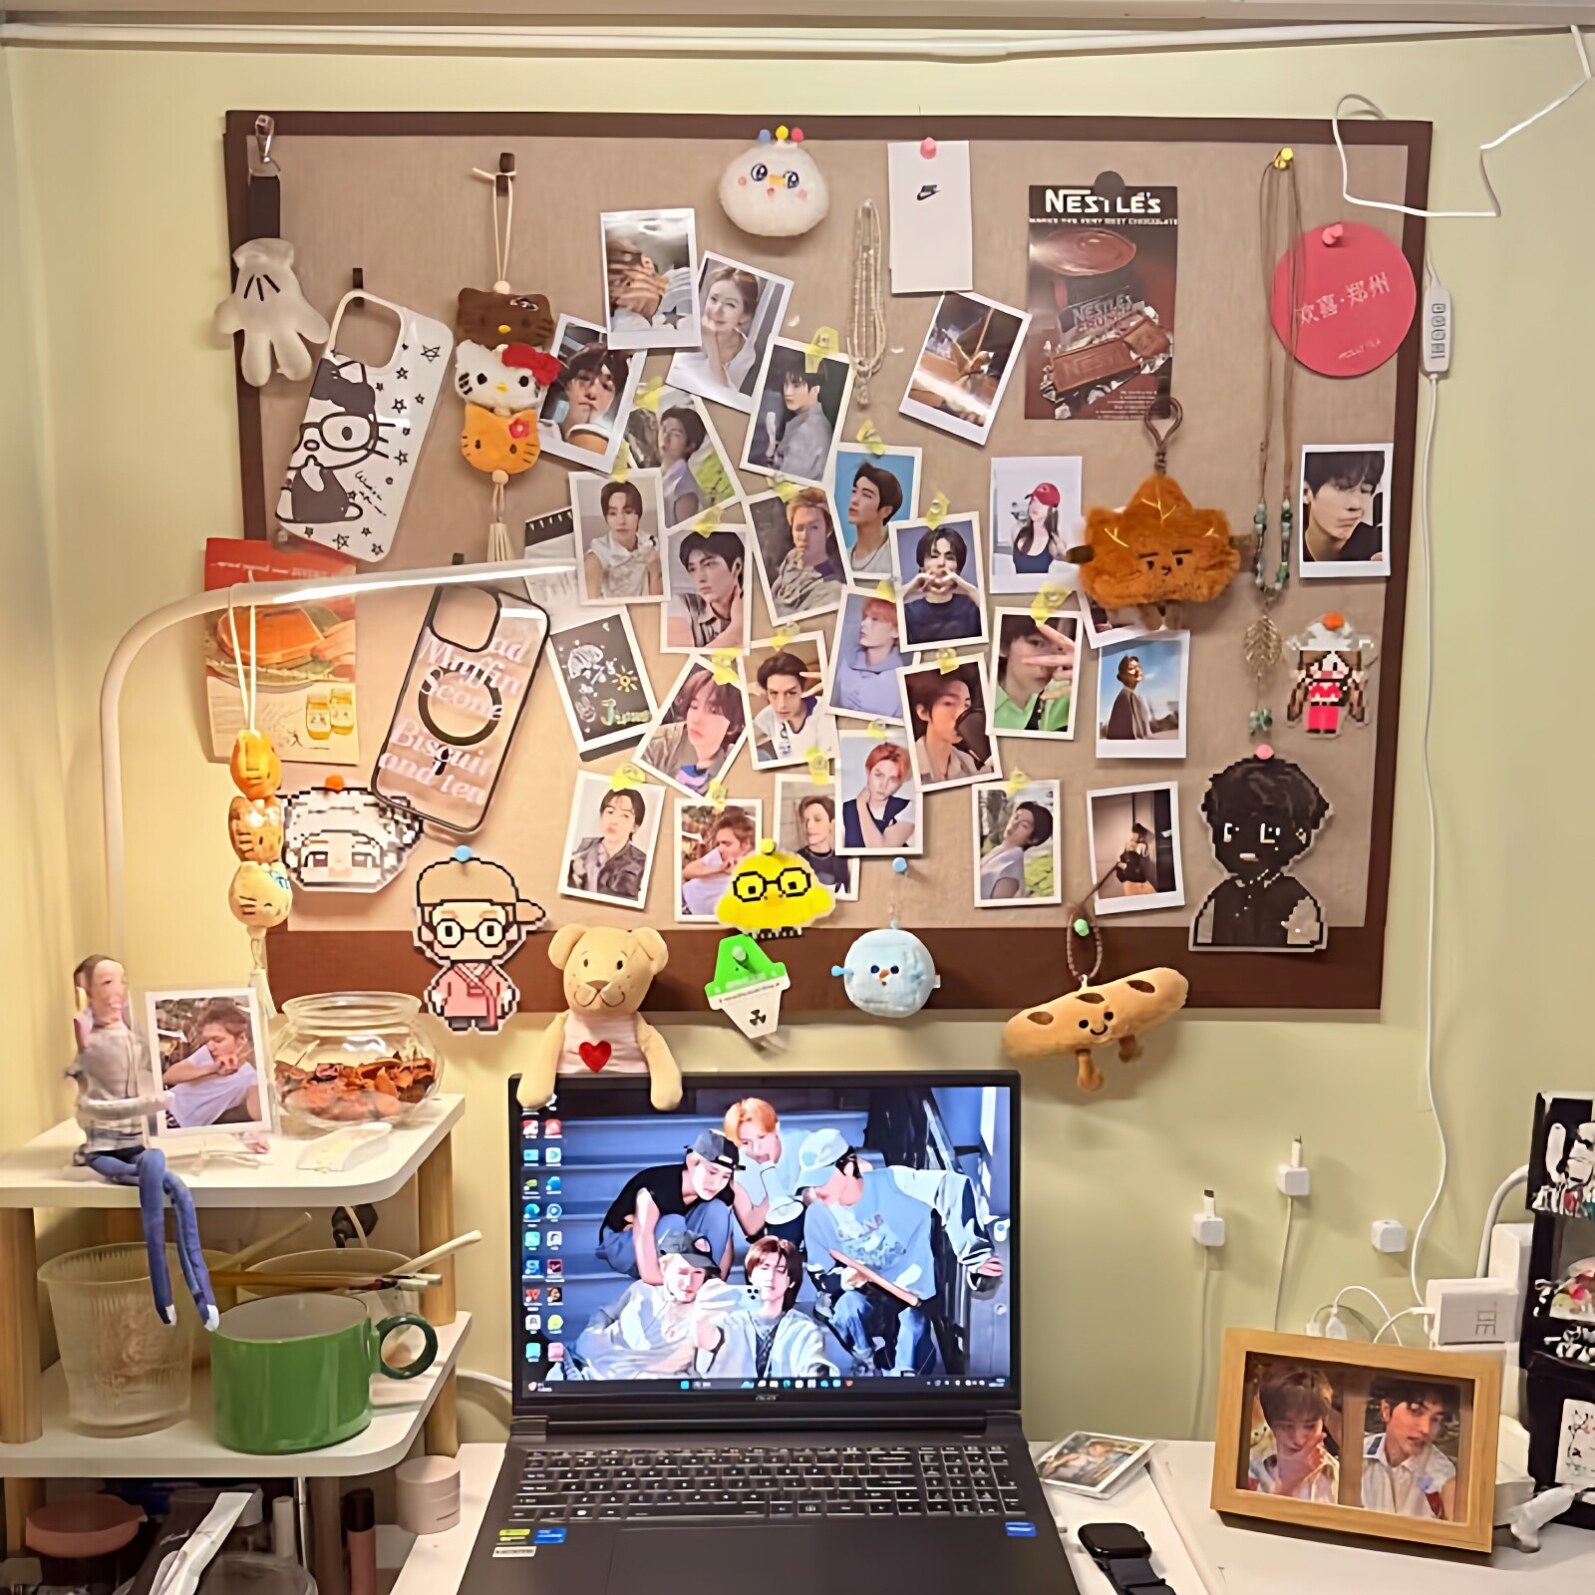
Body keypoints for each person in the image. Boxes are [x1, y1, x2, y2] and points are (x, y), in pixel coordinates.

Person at [796, 1128, 1003, 1376]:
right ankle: (867, 1362)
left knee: (911, 1360)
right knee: (846, 1309)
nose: (818, 1189)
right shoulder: (817, 1215)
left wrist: (975, 1255)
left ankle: (900, 1368)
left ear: (849, 1167)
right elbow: (820, 1274)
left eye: (823, 1178)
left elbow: (953, 1186)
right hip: (866, 1296)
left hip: (911, 1295)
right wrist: (843, 1279)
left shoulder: (894, 1182)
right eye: (813, 1181)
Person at [1190, 754, 1331, 950]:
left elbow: (1305, 949)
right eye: (1231, 830)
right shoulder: (1221, 897)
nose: (1246, 843)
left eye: (1268, 833)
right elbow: (1203, 942)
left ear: (1299, 835)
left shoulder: (1296, 900)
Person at [573, 1231, 739, 1380]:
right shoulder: (642, 1289)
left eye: (698, 1273)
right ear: (665, 1268)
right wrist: (592, 1336)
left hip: (631, 1387)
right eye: (682, 1272)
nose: (689, 1282)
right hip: (583, 1365)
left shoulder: (707, 1311)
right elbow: (606, 1314)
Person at [415, 856, 546, 1032]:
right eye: (449, 931)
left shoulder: (491, 974)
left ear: (510, 933)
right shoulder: (453, 976)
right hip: (456, 1009)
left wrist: (506, 995)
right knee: (457, 1026)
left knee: (487, 1026)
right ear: (429, 934)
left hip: (488, 1012)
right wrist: (438, 997)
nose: (470, 938)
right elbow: (442, 989)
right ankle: (459, 1020)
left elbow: (501, 986)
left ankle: (483, 1022)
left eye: (489, 930)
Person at [596, 1130, 741, 1284]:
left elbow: (725, 1245)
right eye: (712, 1172)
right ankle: (674, 1277)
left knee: (718, 1209)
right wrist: (666, 1283)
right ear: (692, 1162)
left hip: (673, 1241)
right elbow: (643, 1239)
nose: (716, 1183)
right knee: (673, 1221)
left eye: (725, 1176)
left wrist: (717, 1283)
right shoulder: (656, 1187)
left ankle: (705, 1277)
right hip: (624, 1246)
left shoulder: (721, 1192)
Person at [696, 1237, 837, 1381]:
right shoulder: (728, 1321)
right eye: (764, 1268)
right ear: (751, 1274)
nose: (770, 1276)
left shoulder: (804, 1328)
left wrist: (818, 1373)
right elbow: (705, 1358)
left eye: (780, 1270)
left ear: (791, 1281)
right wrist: (703, 1317)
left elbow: (814, 1364)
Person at [1361, 1379, 1459, 1519]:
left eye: (1435, 1419)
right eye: (1415, 1412)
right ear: (1386, 1411)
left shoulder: (1443, 1477)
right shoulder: (1356, 1458)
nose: (1426, 1429)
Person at [161, 999, 262, 1128]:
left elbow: (258, 1114)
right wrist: (211, 1069)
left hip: (180, 1124)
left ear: (241, 1039)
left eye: (218, 1040)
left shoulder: (250, 1077)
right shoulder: (207, 1053)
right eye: (207, 1040)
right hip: (164, 1105)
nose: (210, 1046)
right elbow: (168, 1077)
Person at [644, 667, 745, 794]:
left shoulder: (738, 763)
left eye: (713, 711)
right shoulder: (658, 745)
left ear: (733, 723)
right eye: (694, 706)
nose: (697, 719)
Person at [1248, 1365, 1340, 1502]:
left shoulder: (1337, 1474)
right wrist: (1287, 1485)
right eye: (1287, 1426)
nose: (1299, 1439)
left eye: (1310, 1426)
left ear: (1323, 1422)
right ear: (1271, 1423)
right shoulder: (1250, 1468)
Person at [721, 1097, 806, 1243]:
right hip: (774, 1232)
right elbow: (750, 1227)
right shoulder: (736, 1169)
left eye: (762, 1137)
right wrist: (774, 1191)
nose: (756, 1149)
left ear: (776, 1128)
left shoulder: (803, 1143)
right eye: (745, 1143)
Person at [677, 264, 761, 398]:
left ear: (744, 315)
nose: (717, 310)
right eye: (713, 299)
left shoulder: (744, 353)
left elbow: (724, 395)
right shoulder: (685, 327)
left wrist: (711, 342)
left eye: (730, 304)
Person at [906, 668, 991, 786]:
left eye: (966, 705)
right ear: (923, 712)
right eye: (949, 703)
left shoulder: (967, 762)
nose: (961, 713)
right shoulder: (908, 764)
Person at [901, 526, 984, 647]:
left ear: (958, 567)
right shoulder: (908, 612)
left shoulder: (974, 607)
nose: (941, 563)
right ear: (922, 565)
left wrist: (971, 591)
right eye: (934, 556)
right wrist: (910, 588)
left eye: (949, 557)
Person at [770, 488, 846, 618]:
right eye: (799, 528)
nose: (805, 536)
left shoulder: (832, 591)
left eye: (814, 528)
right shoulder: (792, 556)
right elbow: (775, 590)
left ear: (827, 530)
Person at [1302, 449, 1386, 565]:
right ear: (1306, 492)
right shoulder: (1288, 548)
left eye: (1365, 490)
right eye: (1342, 487)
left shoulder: (1381, 544)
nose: (1356, 505)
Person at [566, 787, 649, 903]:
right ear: (601, 815)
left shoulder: (642, 863)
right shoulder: (581, 850)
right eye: (610, 812)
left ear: (635, 827)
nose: (614, 821)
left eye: (625, 816)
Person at [994, 616, 1075, 733]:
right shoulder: (979, 700)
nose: (1050, 662)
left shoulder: (1065, 691)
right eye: (1037, 643)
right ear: (1003, 646)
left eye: (1060, 648)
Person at [666, 530, 745, 650]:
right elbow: (682, 662)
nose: (700, 578)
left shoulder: (757, 610)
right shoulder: (682, 604)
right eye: (692, 569)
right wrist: (737, 630)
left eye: (709, 564)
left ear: (736, 567)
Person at [607, 227, 694, 336]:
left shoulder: (685, 284)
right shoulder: (626, 323)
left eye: (628, 283)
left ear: (647, 264)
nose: (624, 302)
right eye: (614, 301)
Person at [584, 478, 661, 599]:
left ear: (638, 515)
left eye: (628, 512)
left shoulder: (650, 544)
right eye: (613, 513)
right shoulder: (597, 554)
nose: (621, 521)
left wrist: (655, 571)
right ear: (606, 518)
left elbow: (658, 600)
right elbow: (591, 600)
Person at [830, 598, 907, 720]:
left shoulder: (900, 682)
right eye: (865, 617)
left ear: (896, 631)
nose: (863, 624)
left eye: (875, 619)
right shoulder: (844, 664)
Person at [680, 805, 758, 918]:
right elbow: (687, 872)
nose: (720, 848)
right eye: (719, 843)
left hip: (696, 917)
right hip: (683, 897)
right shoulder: (719, 853)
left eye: (727, 844)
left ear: (745, 844)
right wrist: (719, 869)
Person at [752, 650, 829, 764]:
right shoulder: (768, 714)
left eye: (791, 693)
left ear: (803, 688)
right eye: (773, 693)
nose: (781, 704)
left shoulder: (825, 712)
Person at [548, 341, 625, 454]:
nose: (592, 393)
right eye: (584, 378)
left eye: (606, 386)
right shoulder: (538, 432)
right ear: (569, 385)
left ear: (612, 400)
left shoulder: (614, 454)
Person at [841, 741, 915, 850]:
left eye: (893, 779)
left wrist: (861, 805)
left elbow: (880, 850)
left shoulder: (908, 808)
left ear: (900, 783)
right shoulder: (844, 809)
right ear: (868, 771)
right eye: (878, 775)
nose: (883, 785)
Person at [766, 365, 834, 482]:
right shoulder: (815, 422)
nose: (787, 392)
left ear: (815, 389)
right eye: (786, 384)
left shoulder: (808, 432)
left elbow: (783, 484)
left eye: (796, 385)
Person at [979, 799, 1052, 901]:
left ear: (1033, 839)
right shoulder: (999, 851)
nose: (1014, 824)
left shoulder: (1010, 873)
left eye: (1024, 825)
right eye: (1016, 817)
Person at [846, 461, 905, 580]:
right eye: (854, 491)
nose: (854, 500)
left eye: (866, 495)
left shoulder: (897, 557)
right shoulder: (842, 560)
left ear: (886, 511)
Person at [1102, 653, 1177, 741]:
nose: (1137, 670)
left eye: (1138, 667)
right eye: (1131, 669)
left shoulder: (1132, 695)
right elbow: (1133, 736)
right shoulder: (1126, 696)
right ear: (1122, 676)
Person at [658, 406, 707, 527]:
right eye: (663, 429)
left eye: (675, 434)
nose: (665, 438)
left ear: (690, 445)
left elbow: (683, 534)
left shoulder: (685, 489)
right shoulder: (658, 474)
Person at [793, 794, 852, 892]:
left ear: (831, 824)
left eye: (817, 819)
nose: (809, 825)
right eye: (805, 820)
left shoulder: (843, 860)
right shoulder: (794, 860)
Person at [1009, 481, 1064, 575]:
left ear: (1052, 510)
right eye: (1033, 500)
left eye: (1042, 503)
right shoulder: (1017, 531)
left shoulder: (1053, 542)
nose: (1035, 506)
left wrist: (1061, 550)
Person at [1115, 822, 1159, 896]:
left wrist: (1136, 847)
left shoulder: (1142, 845)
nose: (1135, 836)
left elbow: (1143, 858)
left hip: (1139, 877)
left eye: (1138, 834)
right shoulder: (1127, 844)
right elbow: (1120, 861)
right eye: (1134, 833)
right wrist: (1123, 866)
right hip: (1128, 879)